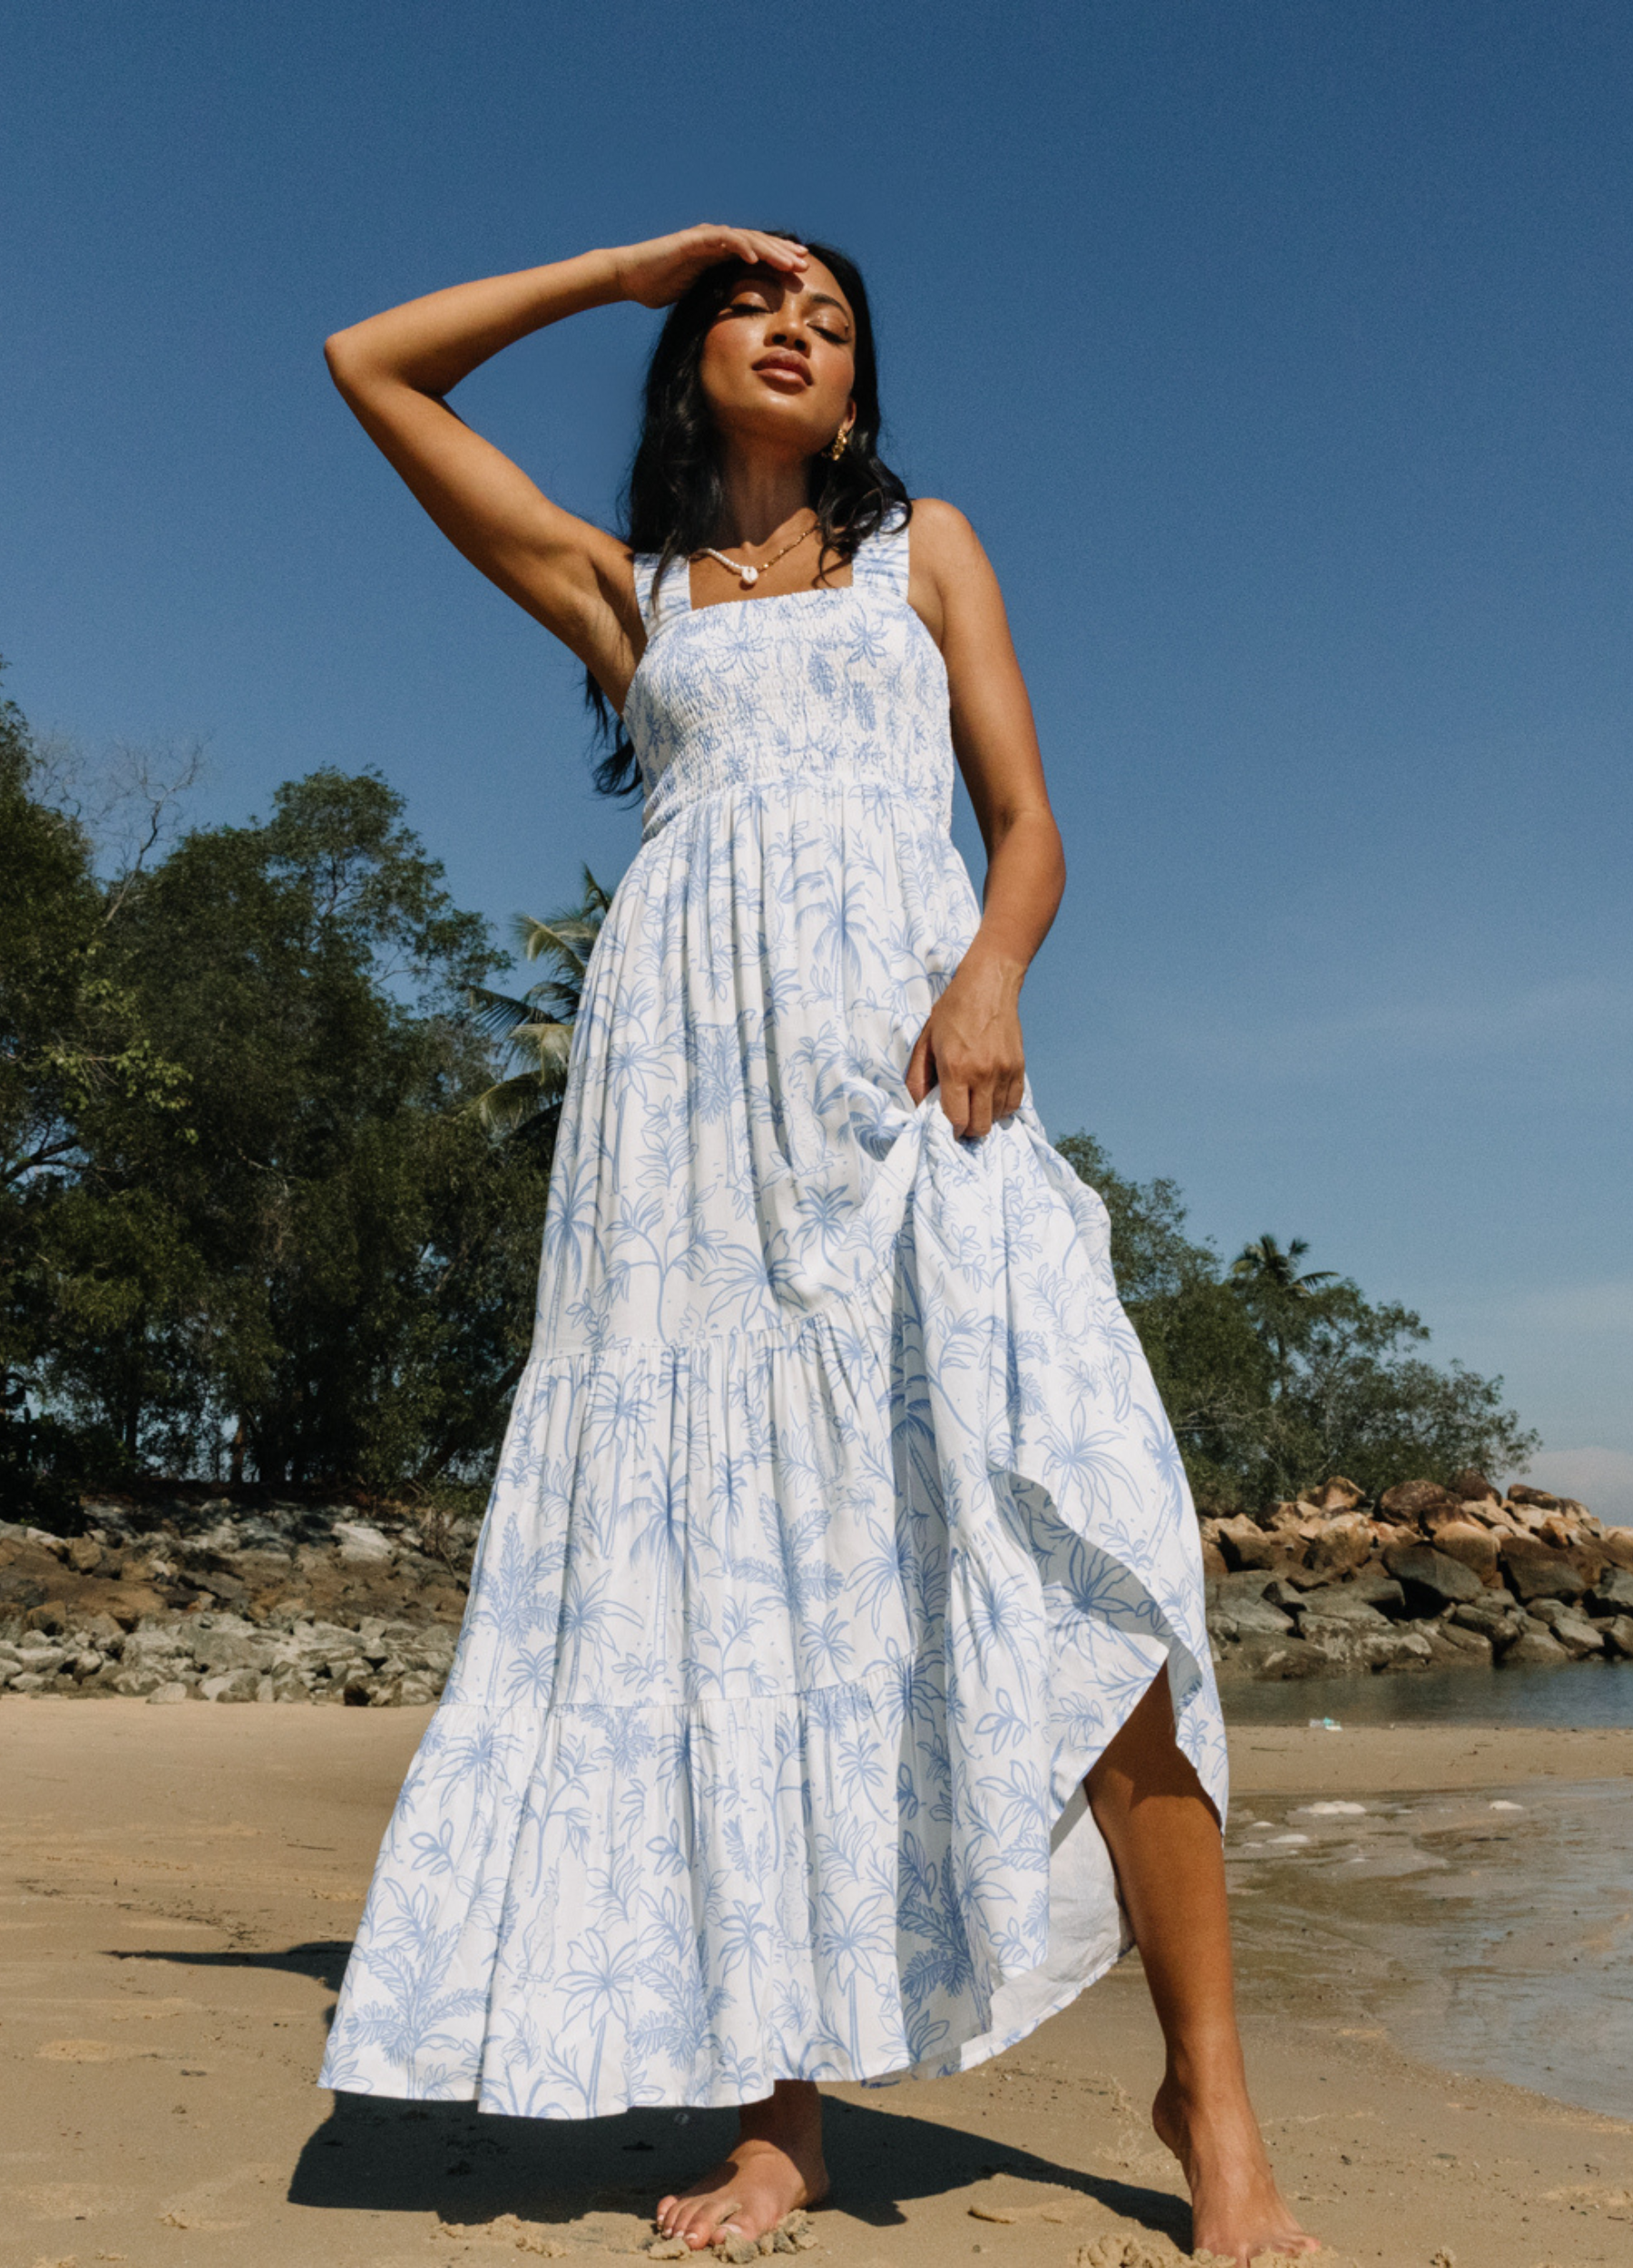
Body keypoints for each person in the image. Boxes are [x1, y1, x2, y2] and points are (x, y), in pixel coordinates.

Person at [315, 224, 1316, 2266]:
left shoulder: (926, 546)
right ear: (700, 358)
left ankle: (1213, 2099)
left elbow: (1026, 819)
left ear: (859, 394)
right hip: (684, 1152)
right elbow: (373, 366)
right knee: (740, 1602)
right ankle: (790, 2114)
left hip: (919, 1088)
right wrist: (631, 266)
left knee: (1088, 1532)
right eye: (761, 305)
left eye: (834, 321)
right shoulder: (632, 595)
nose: (796, 329)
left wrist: (991, 976)